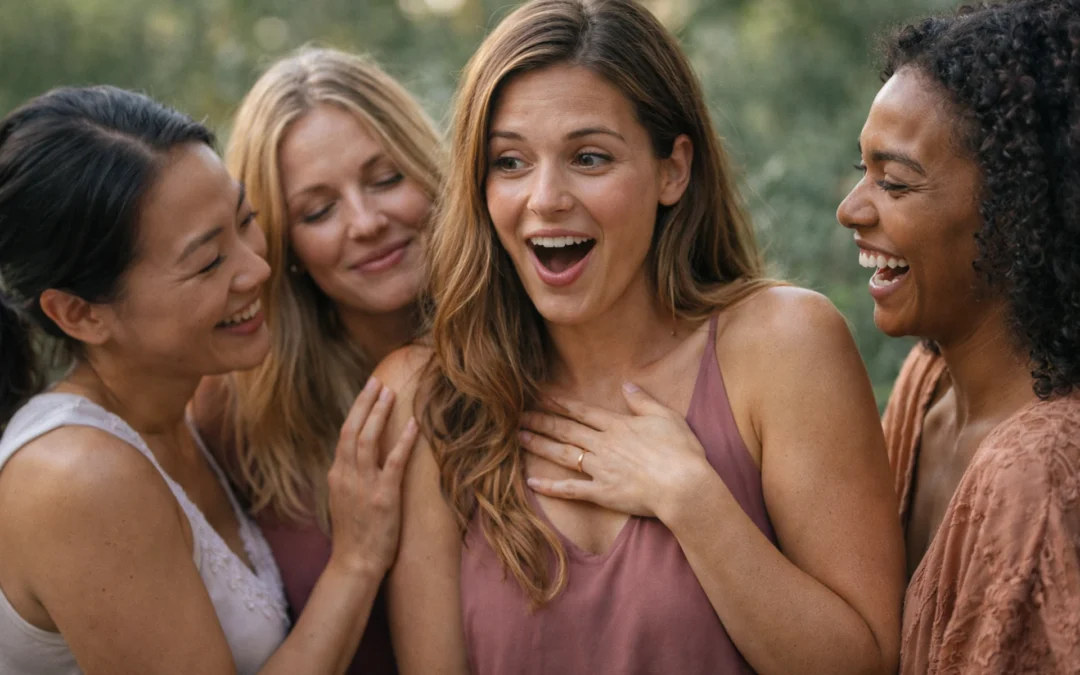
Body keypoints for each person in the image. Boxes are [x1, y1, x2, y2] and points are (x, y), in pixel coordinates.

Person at [375, 1, 905, 674]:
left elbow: (864, 663)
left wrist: (692, 498)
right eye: (509, 162)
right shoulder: (441, 402)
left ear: (672, 170)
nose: (544, 197)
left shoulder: (783, 346)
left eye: (589, 157)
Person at [0, 85, 417, 675]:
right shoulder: (77, 476)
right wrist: (356, 559)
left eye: (245, 221)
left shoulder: (188, 414)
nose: (259, 268)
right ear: (80, 314)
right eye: (208, 262)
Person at [837, 1, 1080, 672]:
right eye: (862, 170)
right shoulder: (927, 383)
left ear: (1017, 209)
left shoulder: (1044, 470)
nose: (851, 208)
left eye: (893, 182)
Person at [190, 47, 442, 675]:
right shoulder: (236, 404)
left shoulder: (545, 338)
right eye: (319, 210)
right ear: (283, 243)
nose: (366, 222)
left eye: (386, 179)